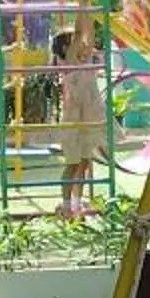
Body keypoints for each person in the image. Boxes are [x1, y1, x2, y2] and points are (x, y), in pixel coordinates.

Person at [49, 26, 108, 218]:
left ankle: (76, 203)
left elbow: (88, 38)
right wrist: (83, 14)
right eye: (76, 43)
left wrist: (87, 15)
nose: (83, 46)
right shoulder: (69, 63)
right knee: (73, 163)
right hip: (73, 122)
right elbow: (83, 36)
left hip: (87, 119)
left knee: (84, 162)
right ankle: (67, 204)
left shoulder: (85, 62)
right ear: (66, 48)